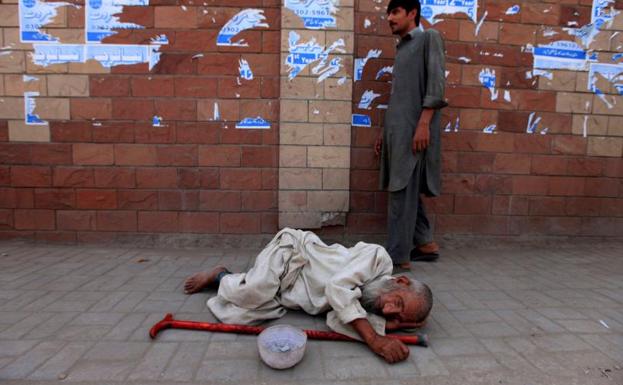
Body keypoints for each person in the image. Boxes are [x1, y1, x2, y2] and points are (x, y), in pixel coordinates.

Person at [183, 228, 433, 364]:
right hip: (293, 254)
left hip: (287, 291)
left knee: (239, 316)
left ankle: (236, 278)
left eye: (397, 315)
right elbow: (337, 288)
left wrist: (387, 327)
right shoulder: (378, 258)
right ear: (401, 281)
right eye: (397, 303)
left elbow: (336, 320)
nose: (388, 309)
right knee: (253, 290)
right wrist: (375, 340)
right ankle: (219, 276)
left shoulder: (372, 305)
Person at [375, 0, 448, 269]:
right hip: (398, 132)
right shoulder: (402, 48)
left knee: (400, 192)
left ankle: (397, 258)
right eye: (388, 14)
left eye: (395, 12)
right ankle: (425, 243)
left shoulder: (429, 38)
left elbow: (436, 85)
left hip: (413, 132)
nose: (390, 19)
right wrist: (385, 132)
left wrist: (423, 124)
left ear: (412, 13)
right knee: (406, 189)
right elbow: (399, 98)